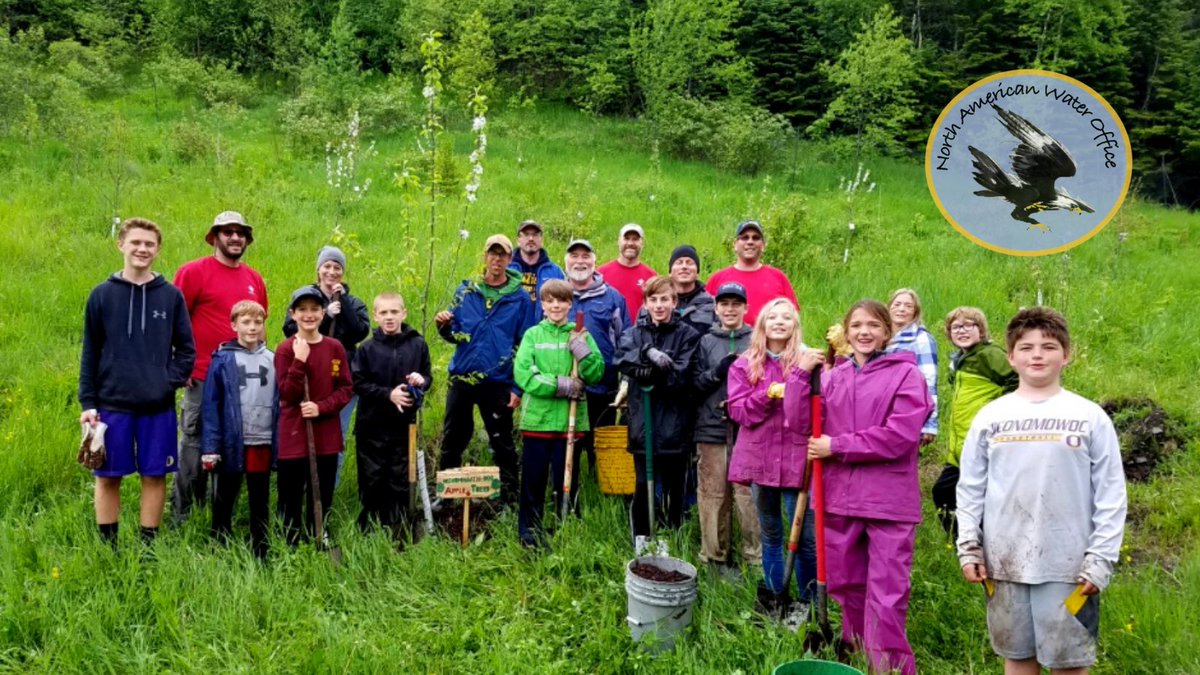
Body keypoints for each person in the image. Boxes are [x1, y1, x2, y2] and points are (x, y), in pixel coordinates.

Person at [958, 307, 1127, 675]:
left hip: (1069, 566)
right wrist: (968, 544)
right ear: (1010, 357)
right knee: (1017, 658)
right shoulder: (990, 417)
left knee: (1068, 663)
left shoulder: (1089, 416)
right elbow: (970, 486)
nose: (1037, 354)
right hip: (1003, 563)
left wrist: (1101, 558)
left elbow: (1111, 495)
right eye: (1026, 347)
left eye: (1048, 346)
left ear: (1067, 355)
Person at [785, 299, 931, 675]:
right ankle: (857, 656)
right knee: (848, 587)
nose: (865, 332)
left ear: (887, 332)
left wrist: (838, 446)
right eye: (857, 326)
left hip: (887, 502)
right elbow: (801, 423)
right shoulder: (833, 377)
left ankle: (888, 668)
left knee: (886, 593)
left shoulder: (905, 375)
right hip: (840, 499)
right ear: (846, 333)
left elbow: (900, 435)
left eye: (874, 326)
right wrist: (801, 377)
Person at [79, 218, 196, 547]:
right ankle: (109, 547)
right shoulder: (101, 295)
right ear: (121, 245)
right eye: (136, 243)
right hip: (110, 405)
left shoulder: (171, 296)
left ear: (157, 250)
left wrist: (164, 382)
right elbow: (90, 352)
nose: (142, 249)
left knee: (154, 475)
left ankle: (148, 549)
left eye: (149, 244)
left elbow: (187, 350)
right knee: (107, 476)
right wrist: (88, 403)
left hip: (156, 406)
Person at [172, 210, 268, 523]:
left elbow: (260, 325)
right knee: (195, 444)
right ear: (215, 236)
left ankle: (219, 516)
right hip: (201, 377)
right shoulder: (193, 272)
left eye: (241, 232)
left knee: (232, 446)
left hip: (244, 382)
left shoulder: (254, 279)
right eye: (228, 231)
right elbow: (175, 320)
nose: (235, 237)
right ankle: (183, 514)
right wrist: (179, 365)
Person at [727, 298, 817, 623]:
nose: (779, 322)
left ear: (795, 325)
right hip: (760, 461)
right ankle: (775, 598)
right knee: (771, 533)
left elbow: (818, 412)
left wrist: (797, 383)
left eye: (786, 317)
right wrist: (768, 395)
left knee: (805, 538)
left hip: (797, 463)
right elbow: (738, 411)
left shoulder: (809, 363)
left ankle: (808, 606)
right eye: (772, 317)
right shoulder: (744, 364)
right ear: (762, 324)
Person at [435, 234, 537, 507]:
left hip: (498, 379)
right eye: (493, 254)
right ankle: (446, 497)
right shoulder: (466, 290)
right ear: (485, 256)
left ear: (509, 259)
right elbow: (456, 334)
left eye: (503, 255)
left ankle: (511, 498)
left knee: (502, 439)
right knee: (453, 436)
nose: (497, 259)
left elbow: (525, 344)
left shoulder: (520, 298)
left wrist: (518, 387)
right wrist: (444, 326)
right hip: (463, 376)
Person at [513, 280, 605, 547]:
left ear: (569, 304)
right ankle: (529, 534)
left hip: (569, 423)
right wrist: (562, 385)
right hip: (538, 423)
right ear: (542, 305)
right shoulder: (532, 335)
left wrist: (582, 351)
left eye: (561, 300)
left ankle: (567, 529)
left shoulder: (579, 334)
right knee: (533, 480)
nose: (556, 305)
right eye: (550, 301)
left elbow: (596, 372)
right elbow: (524, 375)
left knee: (567, 481)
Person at [615, 276, 701, 550]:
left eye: (665, 299)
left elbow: (681, 376)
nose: (659, 305)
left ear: (674, 302)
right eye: (653, 300)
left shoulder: (688, 335)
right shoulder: (635, 333)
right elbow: (621, 358)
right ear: (645, 303)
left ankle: (670, 538)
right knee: (643, 485)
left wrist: (645, 371)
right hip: (643, 424)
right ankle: (642, 539)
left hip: (675, 427)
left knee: (674, 489)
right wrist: (647, 352)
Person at [275, 287, 354, 545]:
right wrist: (299, 361)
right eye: (302, 310)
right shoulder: (286, 349)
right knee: (291, 495)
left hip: (326, 436)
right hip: (294, 436)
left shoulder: (335, 347)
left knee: (322, 492)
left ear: (323, 313)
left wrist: (322, 407)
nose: (309, 315)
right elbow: (287, 394)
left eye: (314, 309)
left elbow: (345, 389)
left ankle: (318, 534)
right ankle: (290, 543)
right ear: (293, 314)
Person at [692, 282, 760, 579]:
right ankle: (714, 556)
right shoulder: (705, 341)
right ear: (716, 308)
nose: (730, 309)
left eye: (736, 304)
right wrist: (717, 372)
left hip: (750, 429)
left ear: (745, 307)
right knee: (713, 493)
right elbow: (693, 384)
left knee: (748, 496)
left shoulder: (758, 340)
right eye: (725, 304)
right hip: (711, 426)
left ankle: (754, 557)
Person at [351, 292, 433, 538]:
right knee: (372, 477)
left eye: (394, 312)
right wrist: (389, 395)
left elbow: (428, 377)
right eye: (384, 313)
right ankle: (371, 530)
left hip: (403, 427)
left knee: (399, 478)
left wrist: (422, 380)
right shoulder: (366, 349)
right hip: (371, 427)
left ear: (404, 313)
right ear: (375, 316)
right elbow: (358, 383)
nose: (389, 317)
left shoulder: (417, 344)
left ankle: (400, 529)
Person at [200, 300, 276, 559]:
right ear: (234, 325)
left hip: (262, 439)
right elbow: (211, 404)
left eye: (258, 322)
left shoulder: (273, 358)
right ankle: (218, 540)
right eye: (246, 322)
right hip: (233, 440)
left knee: (259, 494)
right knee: (226, 493)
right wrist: (210, 446)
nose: (253, 327)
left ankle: (260, 545)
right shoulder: (222, 359)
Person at [932, 307, 1017, 534]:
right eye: (956, 327)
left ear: (981, 330)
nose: (962, 330)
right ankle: (967, 548)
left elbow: (1017, 381)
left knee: (951, 493)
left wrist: (996, 410)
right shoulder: (960, 360)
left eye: (969, 325)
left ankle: (979, 548)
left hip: (983, 444)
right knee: (945, 493)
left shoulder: (990, 355)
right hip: (961, 448)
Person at [283, 245, 371, 437]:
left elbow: (359, 332)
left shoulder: (354, 303)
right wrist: (326, 315)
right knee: (309, 434)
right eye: (327, 266)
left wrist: (344, 302)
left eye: (337, 267)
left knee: (336, 434)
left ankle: (333, 469)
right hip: (310, 374)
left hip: (342, 376)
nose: (332, 272)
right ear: (319, 269)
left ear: (343, 272)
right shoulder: (304, 299)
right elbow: (289, 330)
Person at [563, 239, 631, 474]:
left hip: (603, 387)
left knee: (599, 447)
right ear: (565, 261)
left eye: (585, 256)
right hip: (565, 387)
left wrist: (625, 380)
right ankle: (571, 498)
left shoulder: (613, 298)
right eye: (574, 256)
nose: (579, 261)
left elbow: (625, 341)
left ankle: (601, 493)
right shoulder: (557, 296)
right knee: (569, 446)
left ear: (594, 261)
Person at [706, 220, 797, 324]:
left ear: (763, 245)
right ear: (735, 245)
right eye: (745, 237)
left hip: (769, 339)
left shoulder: (778, 277)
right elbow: (707, 317)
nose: (750, 242)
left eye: (756, 238)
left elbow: (793, 318)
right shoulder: (717, 279)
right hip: (729, 339)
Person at [885, 288, 938, 447]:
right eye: (897, 304)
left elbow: (928, 380)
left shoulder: (921, 339)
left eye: (908, 306)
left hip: (906, 411)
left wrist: (930, 424)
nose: (901, 309)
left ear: (915, 312)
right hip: (881, 410)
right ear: (889, 308)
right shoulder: (882, 337)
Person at [598, 223, 656, 317]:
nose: (630, 243)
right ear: (618, 241)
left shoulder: (651, 277)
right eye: (626, 238)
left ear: (642, 243)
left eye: (635, 239)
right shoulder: (601, 274)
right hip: (610, 330)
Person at [509, 219, 566, 315]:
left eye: (535, 235)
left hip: (544, 328)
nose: (531, 238)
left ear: (541, 241)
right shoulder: (507, 270)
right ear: (518, 241)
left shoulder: (556, 272)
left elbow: (565, 302)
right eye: (526, 234)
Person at [667, 244, 715, 334]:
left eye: (690, 263)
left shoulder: (711, 304)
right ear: (670, 272)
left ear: (697, 272)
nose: (684, 267)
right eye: (679, 262)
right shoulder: (655, 302)